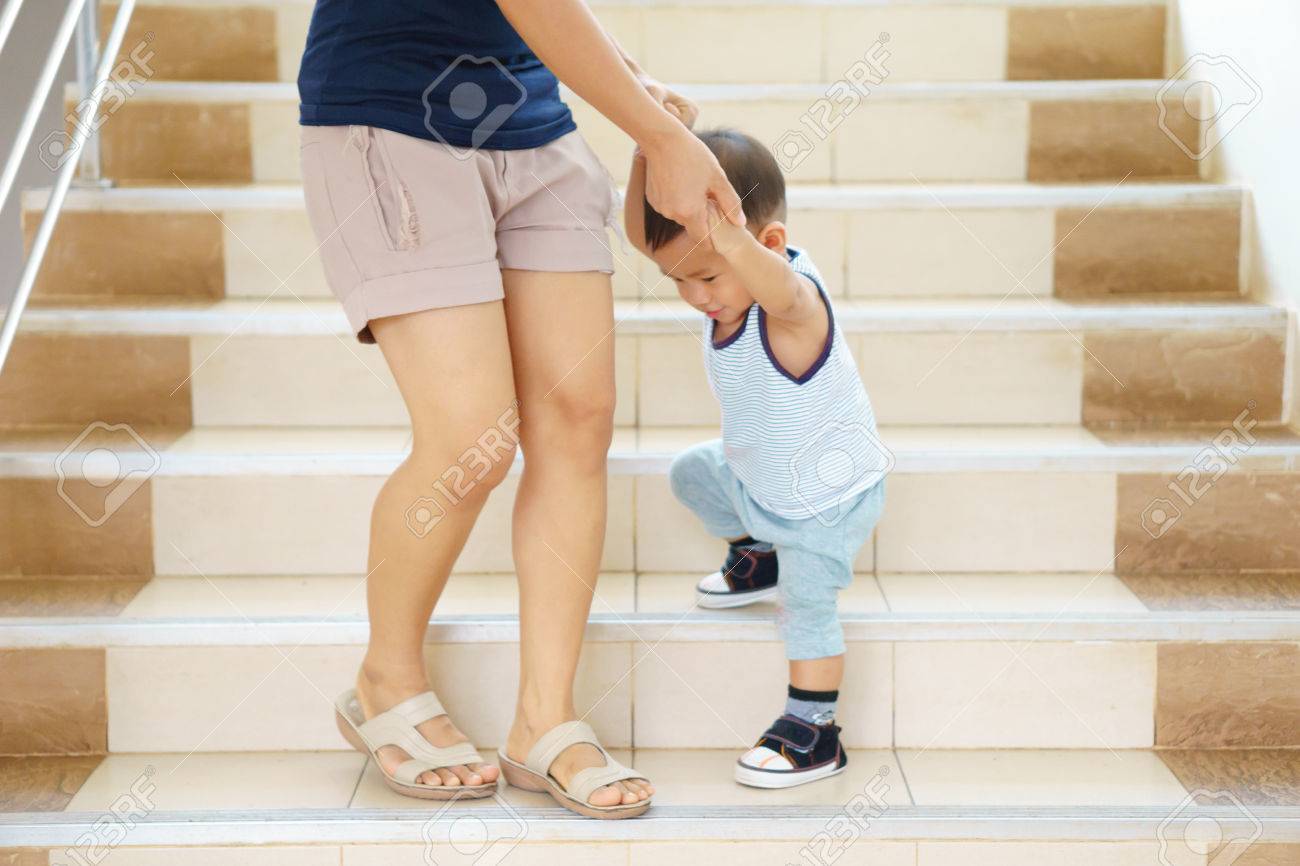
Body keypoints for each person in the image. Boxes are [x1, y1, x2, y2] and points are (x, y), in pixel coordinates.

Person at [297, 0, 743, 819]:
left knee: (577, 419)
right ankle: (385, 680)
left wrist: (628, 77)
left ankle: (544, 716)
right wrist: (660, 134)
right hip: (391, 115)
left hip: (534, 120)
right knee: (472, 435)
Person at [625, 128, 888, 789]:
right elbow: (640, 234)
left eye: (707, 276)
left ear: (764, 245)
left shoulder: (793, 308)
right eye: (678, 280)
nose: (695, 296)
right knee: (691, 472)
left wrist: (732, 241)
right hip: (760, 480)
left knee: (806, 603)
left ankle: (815, 731)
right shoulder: (725, 288)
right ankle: (757, 555)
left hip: (824, 502)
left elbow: (781, 291)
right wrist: (646, 150)